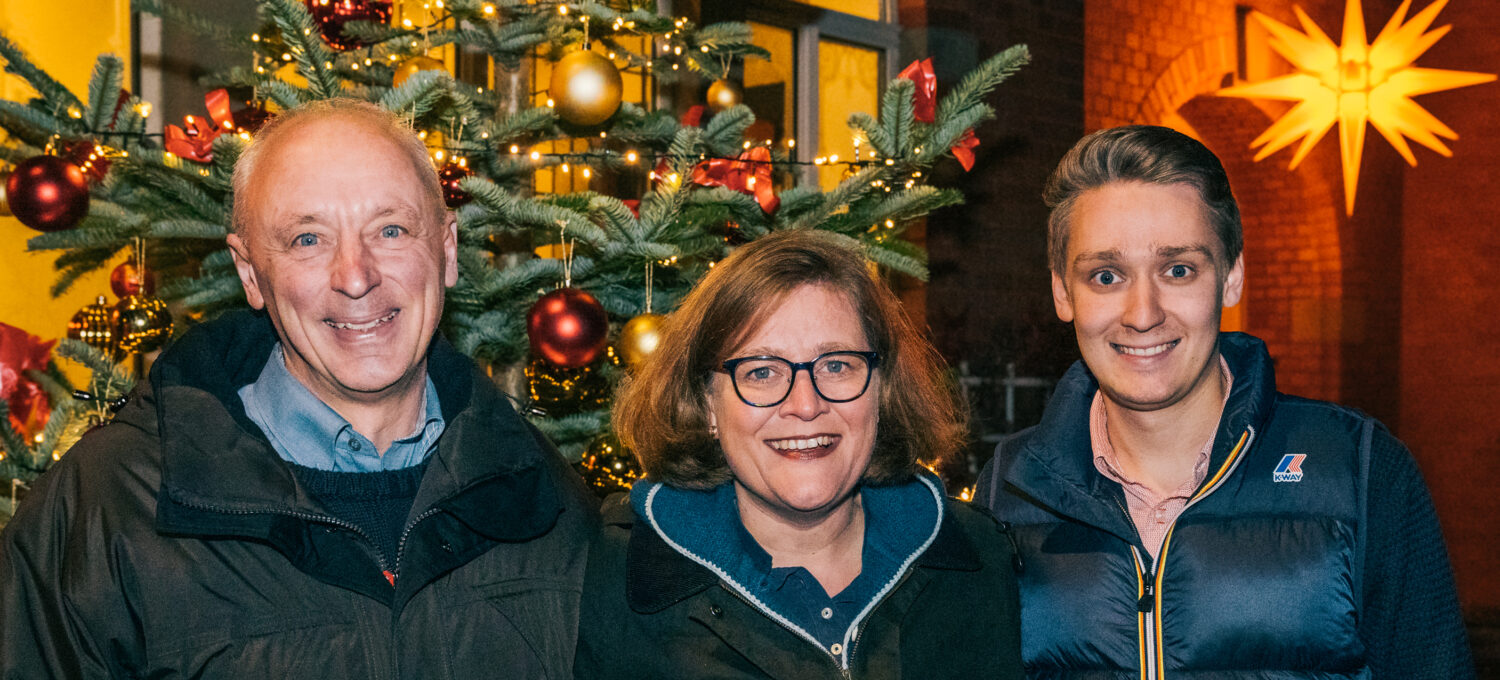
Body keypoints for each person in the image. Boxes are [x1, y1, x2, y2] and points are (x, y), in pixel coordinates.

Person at [0, 99, 598, 678]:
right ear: (250, 273)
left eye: (390, 229)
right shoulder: (111, 503)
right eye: (307, 240)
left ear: (445, 250)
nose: (357, 277)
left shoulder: (538, 492)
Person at [975, 125, 1473, 679]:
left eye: (1178, 270)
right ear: (1063, 293)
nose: (1143, 313)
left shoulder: (1359, 469)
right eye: (1106, 275)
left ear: (1231, 277)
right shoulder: (1010, 488)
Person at [575, 230, 1023, 679]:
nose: (806, 405)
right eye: (763, 371)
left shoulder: (979, 559)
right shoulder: (611, 577)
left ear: (881, 391)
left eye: (836, 365)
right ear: (708, 404)